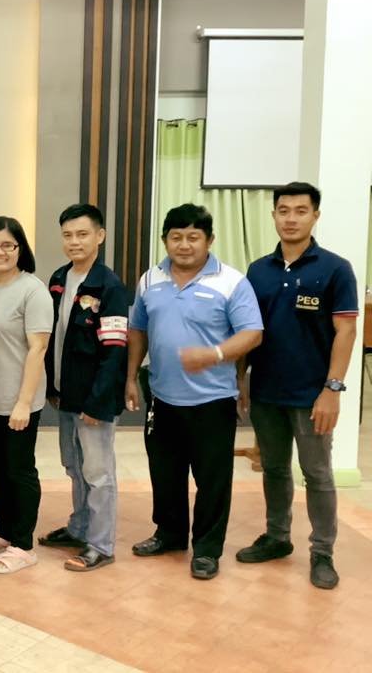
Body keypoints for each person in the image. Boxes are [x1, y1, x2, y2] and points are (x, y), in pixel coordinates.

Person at [126, 204, 263, 580]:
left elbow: (252, 333)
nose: (184, 245)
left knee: (212, 480)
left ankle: (206, 549)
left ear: (209, 240)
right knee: (165, 473)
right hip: (161, 397)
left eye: (193, 237)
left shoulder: (231, 281)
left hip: (213, 400)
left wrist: (214, 354)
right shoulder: (150, 279)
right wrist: (130, 376)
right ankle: (169, 534)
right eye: (176, 237)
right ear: (165, 240)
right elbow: (137, 329)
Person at [237, 182, 357, 590]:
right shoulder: (258, 270)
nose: (291, 219)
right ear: (273, 215)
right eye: (284, 211)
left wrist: (332, 389)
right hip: (266, 392)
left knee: (317, 473)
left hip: (312, 395)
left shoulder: (335, 268)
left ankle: (322, 552)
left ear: (315, 216)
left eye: (301, 211)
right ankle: (277, 537)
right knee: (273, 467)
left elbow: (345, 331)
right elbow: (248, 330)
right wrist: (241, 379)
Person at [38, 204, 127, 572]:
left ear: (100, 236)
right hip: (65, 395)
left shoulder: (110, 286)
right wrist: (51, 386)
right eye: (68, 235)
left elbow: (114, 351)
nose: (74, 241)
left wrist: (97, 402)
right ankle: (79, 527)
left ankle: (101, 544)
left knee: (98, 473)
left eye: (82, 234)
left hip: (94, 401)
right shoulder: (59, 278)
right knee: (74, 465)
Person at [0, 217, 54, 574]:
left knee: (19, 470)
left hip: (19, 400)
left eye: (8, 245)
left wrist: (23, 402)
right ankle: (4, 533)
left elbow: (38, 349)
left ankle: (24, 544)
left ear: (20, 248)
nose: (0, 251)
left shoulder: (32, 290)